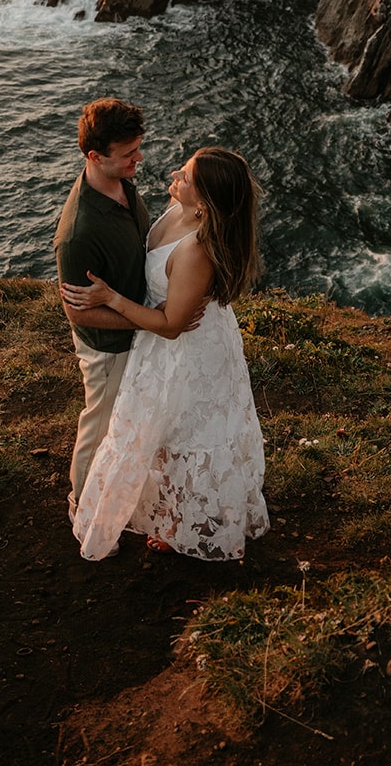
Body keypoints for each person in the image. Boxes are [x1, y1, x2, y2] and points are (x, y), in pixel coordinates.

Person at [61, 146, 269, 562]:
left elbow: (173, 326)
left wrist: (111, 298)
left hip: (187, 351)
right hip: (158, 346)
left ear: (205, 204)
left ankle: (183, 525)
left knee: (187, 437)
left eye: (187, 176)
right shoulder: (179, 209)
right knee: (163, 433)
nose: (175, 173)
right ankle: (169, 516)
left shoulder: (196, 250)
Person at [54, 97, 149, 521]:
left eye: (137, 148)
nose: (138, 159)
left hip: (138, 330)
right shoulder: (78, 235)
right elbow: (80, 314)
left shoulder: (121, 183)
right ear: (95, 157)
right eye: (128, 154)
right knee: (101, 424)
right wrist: (148, 320)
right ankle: (84, 509)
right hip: (109, 348)